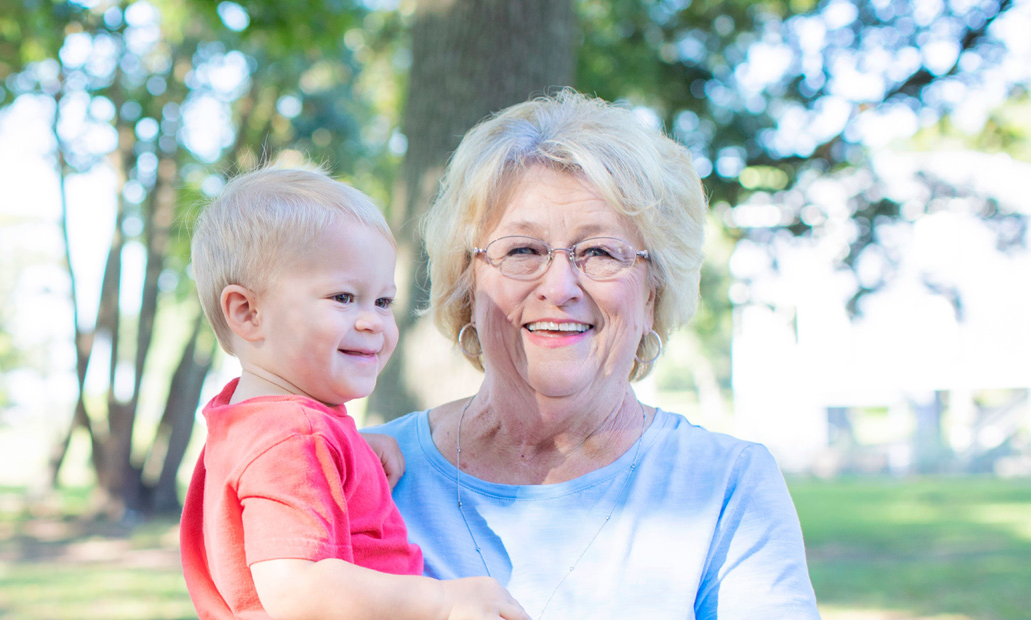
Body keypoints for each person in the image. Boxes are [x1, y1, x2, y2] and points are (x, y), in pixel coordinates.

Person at [361, 90, 821, 619]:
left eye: (600, 252)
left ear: (653, 295)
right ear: (467, 284)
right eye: (522, 250)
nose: (559, 286)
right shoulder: (364, 471)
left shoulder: (727, 485)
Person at [179, 165, 528, 620]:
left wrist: (350, 455)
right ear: (247, 312)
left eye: (383, 302)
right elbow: (296, 588)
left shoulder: (253, 428)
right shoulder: (293, 439)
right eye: (344, 297)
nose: (373, 321)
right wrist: (444, 601)